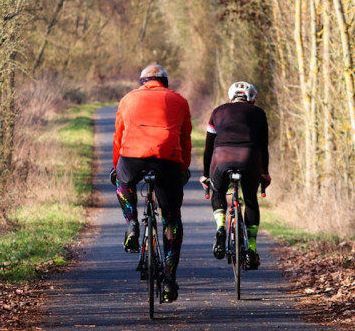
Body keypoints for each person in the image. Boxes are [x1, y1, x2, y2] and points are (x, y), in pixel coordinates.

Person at [110, 63, 192, 302]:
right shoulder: (180, 101)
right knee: (171, 217)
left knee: (124, 182)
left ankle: (132, 223)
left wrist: (118, 168)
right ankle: (169, 278)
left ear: (142, 82)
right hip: (167, 160)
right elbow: (185, 139)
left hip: (132, 157)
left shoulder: (128, 99)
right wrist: (183, 167)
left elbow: (118, 136)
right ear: (164, 82)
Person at [199, 81, 271, 270]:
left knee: (218, 192)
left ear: (231, 97)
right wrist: (265, 173)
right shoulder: (259, 114)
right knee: (250, 200)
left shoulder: (217, 112)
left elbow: (208, 149)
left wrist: (206, 175)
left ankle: (221, 227)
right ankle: (252, 249)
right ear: (252, 99)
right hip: (249, 159)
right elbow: (263, 147)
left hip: (221, 158)